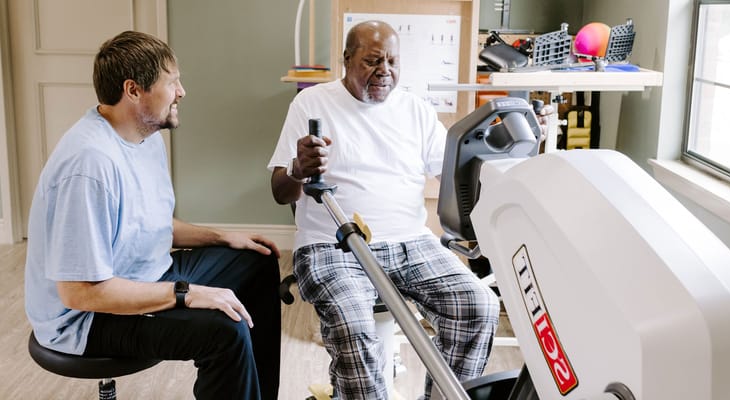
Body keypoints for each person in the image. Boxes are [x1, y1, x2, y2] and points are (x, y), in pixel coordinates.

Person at [25, 30, 281, 400]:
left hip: (143, 276)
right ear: (133, 90)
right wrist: (186, 294)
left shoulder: (144, 137)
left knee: (257, 260)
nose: (182, 92)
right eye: (172, 82)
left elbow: (146, 225)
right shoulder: (90, 165)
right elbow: (80, 293)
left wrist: (223, 238)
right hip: (86, 319)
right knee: (225, 330)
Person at [268, 20, 516, 399]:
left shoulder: (414, 108)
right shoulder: (311, 103)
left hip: (411, 242)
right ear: (347, 60)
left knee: (478, 305)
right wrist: (299, 170)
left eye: (393, 62)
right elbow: (280, 193)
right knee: (354, 326)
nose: (384, 70)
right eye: (372, 61)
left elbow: (453, 172)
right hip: (332, 245)